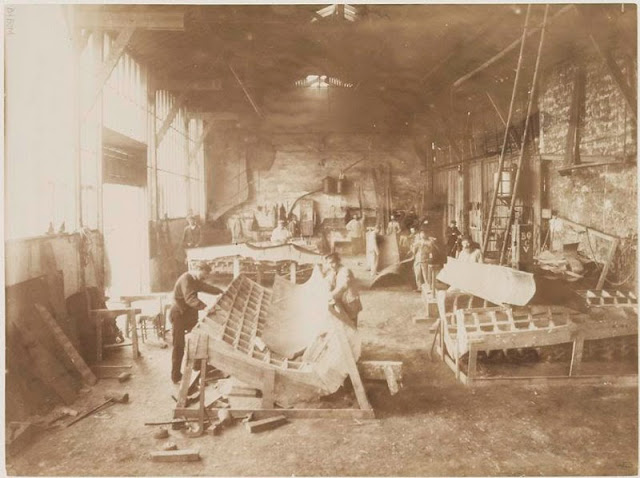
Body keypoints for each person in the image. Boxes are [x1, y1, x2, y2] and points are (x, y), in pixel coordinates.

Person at [170, 263, 223, 384]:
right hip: (179, 314)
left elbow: (206, 287)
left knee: (198, 337)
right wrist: (205, 307)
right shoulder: (186, 279)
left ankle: (197, 365)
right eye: (204, 275)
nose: (204, 278)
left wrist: (221, 292)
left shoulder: (195, 279)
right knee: (179, 345)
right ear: (197, 269)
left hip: (188, 314)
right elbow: (189, 298)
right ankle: (176, 376)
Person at [323, 252, 362, 328]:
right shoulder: (334, 271)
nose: (331, 265)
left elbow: (343, 286)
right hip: (343, 301)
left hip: (350, 302)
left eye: (333, 262)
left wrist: (331, 295)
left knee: (351, 325)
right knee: (344, 323)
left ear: (338, 261)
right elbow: (328, 280)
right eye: (329, 263)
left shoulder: (345, 271)